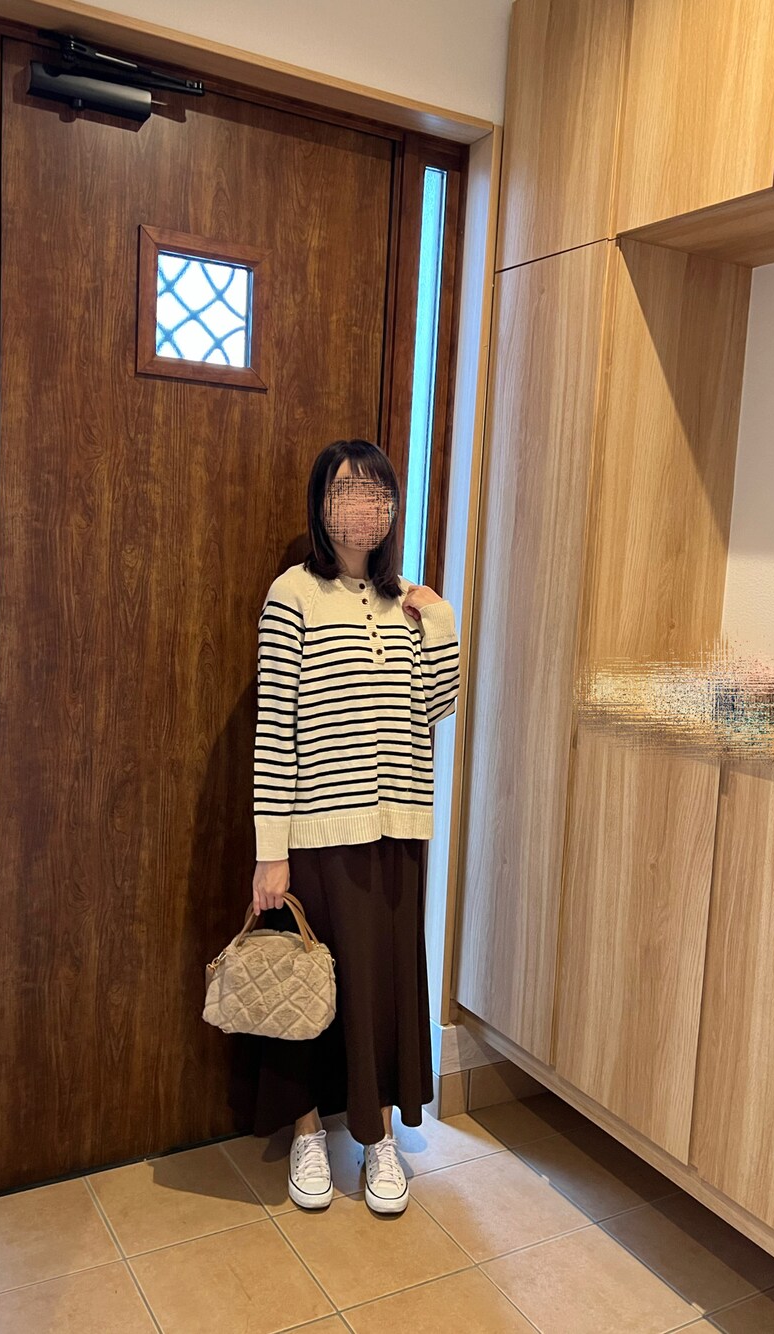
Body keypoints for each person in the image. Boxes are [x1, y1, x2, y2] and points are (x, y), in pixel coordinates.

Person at [248, 437, 460, 1215]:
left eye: (377, 493)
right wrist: (270, 853)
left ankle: (379, 1141)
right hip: (316, 833)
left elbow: (437, 704)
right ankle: (308, 1133)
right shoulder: (292, 594)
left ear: (392, 508)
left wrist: (440, 621)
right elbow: (275, 729)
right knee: (309, 985)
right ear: (322, 504)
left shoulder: (406, 601)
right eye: (345, 491)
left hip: (397, 827)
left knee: (384, 989)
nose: (363, 506)